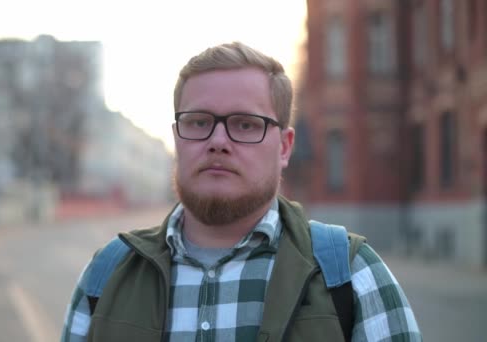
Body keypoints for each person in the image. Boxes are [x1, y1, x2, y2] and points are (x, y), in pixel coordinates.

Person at [61, 42, 422, 342]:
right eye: (199, 122)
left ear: (284, 147)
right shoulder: (107, 274)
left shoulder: (353, 276)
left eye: (246, 124)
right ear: (177, 138)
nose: (218, 141)